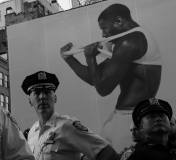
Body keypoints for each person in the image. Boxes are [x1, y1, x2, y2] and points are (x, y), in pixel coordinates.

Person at [60, 3, 162, 152]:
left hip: (130, 120)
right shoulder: (127, 41)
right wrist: (69, 59)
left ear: (119, 21)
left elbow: (103, 88)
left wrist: (90, 57)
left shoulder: (130, 42)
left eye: (104, 28)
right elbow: (95, 78)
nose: (103, 35)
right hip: (121, 116)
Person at [21, 71, 119, 160]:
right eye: (37, 93)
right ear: (30, 101)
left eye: (47, 92)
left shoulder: (66, 126)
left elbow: (108, 153)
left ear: (55, 98)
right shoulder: (32, 131)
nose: (42, 97)